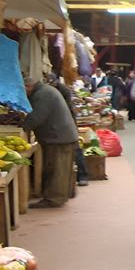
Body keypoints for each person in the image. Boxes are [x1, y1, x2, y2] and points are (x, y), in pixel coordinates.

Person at [23, 72, 80, 208]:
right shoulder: (44, 91)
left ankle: (54, 199)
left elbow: (37, 117)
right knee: (58, 168)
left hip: (58, 137)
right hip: (60, 135)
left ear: (28, 86)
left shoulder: (42, 94)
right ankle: (58, 196)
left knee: (56, 169)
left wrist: (23, 126)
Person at [50, 74, 90, 187]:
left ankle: (83, 176)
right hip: (57, 124)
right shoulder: (53, 90)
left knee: (75, 148)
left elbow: (63, 109)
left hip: (67, 123)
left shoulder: (63, 90)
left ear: (55, 81)